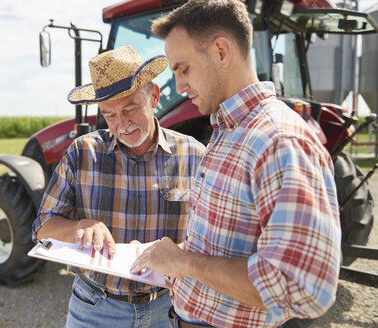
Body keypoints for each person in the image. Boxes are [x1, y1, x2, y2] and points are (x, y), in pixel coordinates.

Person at [131, 1, 341, 327]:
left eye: (183, 69)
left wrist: (184, 261)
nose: (181, 87)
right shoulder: (229, 130)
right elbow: (232, 240)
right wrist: (177, 256)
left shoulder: (278, 141)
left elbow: (303, 286)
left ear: (221, 52)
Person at [32, 45, 206, 328]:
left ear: (154, 96)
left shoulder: (194, 155)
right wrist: (78, 227)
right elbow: (42, 227)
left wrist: (177, 253)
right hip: (95, 306)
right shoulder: (82, 152)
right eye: (109, 115)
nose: (122, 124)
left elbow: (214, 235)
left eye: (130, 108)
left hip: (170, 305)